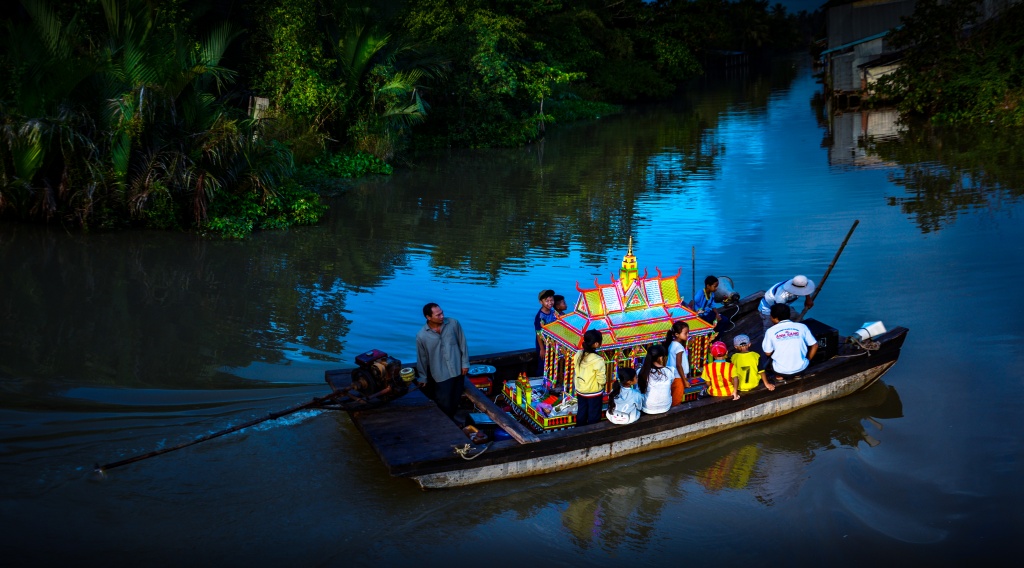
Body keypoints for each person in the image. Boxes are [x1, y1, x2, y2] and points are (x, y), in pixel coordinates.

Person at [415, 303, 470, 418]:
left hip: (458, 369)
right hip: (440, 374)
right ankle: (448, 423)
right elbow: (422, 358)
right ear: (428, 317)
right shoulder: (422, 336)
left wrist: (465, 363)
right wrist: (423, 377)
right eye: (438, 315)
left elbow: (462, 343)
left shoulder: (453, 323)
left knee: (455, 399)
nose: (442, 316)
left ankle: (452, 421)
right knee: (444, 402)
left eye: (442, 313)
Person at [762, 303, 819, 380]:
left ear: (774, 318)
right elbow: (815, 345)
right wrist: (808, 360)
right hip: (802, 367)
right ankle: (797, 375)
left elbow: (767, 352)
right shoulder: (802, 327)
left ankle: (779, 377)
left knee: (770, 358)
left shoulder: (770, 331)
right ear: (789, 315)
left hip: (780, 371)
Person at [574, 329, 607, 427]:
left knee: (581, 412)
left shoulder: (578, 354)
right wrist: (602, 385)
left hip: (580, 389)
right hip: (594, 392)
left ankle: (578, 431)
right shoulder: (598, 360)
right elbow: (601, 378)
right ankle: (592, 434)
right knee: (594, 415)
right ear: (596, 344)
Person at [639, 343, 674, 414]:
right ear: (660, 358)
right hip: (665, 407)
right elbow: (671, 383)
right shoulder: (669, 371)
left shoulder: (641, 371)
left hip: (647, 408)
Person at [664, 321, 690, 406]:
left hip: (673, 375)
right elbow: (679, 365)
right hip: (678, 377)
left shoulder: (673, 344)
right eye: (685, 333)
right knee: (676, 400)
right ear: (677, 334)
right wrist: (685, 380)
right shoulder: (678, 347)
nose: (687, 335)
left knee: (673, 396)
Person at [534, 289, 558, 375]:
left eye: (551, 300)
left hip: (552, 342)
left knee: (551, 363)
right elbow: (538, 333)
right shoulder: (540, 316)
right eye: (547, 301)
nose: (550, 303)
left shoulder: (553, 312)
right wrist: (542, 349)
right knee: (543, 364)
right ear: (541, 302)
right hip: (543, 344)